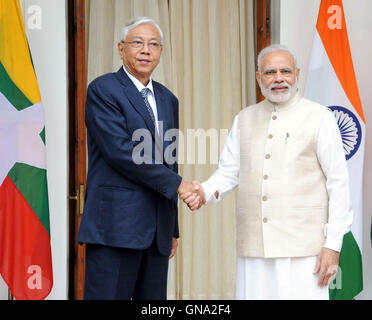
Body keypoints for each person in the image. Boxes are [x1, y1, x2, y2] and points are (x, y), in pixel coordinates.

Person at [182, 44, 353, 300]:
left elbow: (338, 183)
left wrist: (333, 244)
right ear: (258, 77)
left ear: (297, 74)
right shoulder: (244, 118)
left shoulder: (320, 117)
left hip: (304, 251)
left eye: (285, 71)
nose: (278, 78)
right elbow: (229, 172)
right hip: (254, 248)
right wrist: (203, 191)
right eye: (270, 72)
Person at [78, 17, 196, 300]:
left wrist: (172, 228)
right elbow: (122, 152)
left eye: (153, 44)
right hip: (115, 228)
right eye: (138, 43)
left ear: (160, 53)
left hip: (157, 234)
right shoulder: (103, 90)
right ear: (121, 49)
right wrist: (180, 185)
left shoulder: (169, 99)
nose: (146, 50)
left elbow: (169, 160)